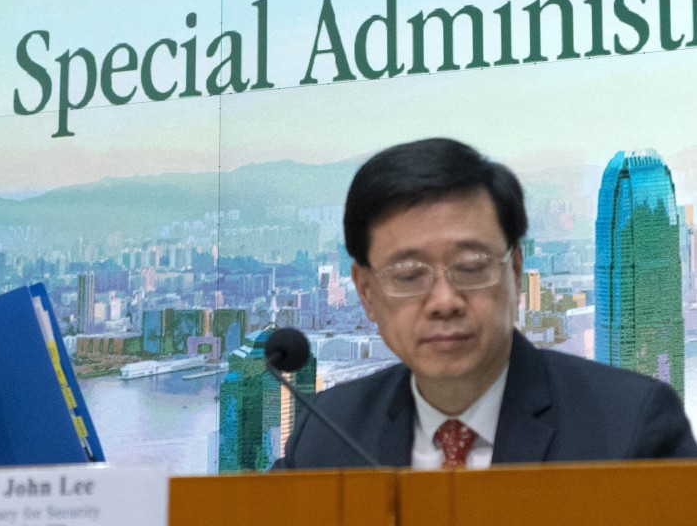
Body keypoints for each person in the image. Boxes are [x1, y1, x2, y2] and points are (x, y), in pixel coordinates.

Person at [277, 138, 697, 469]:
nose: (444, 301)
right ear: (366, 292)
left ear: (515, 270)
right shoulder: (329, 430)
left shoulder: (632, 426)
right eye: (409, 276)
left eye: (471, 267)